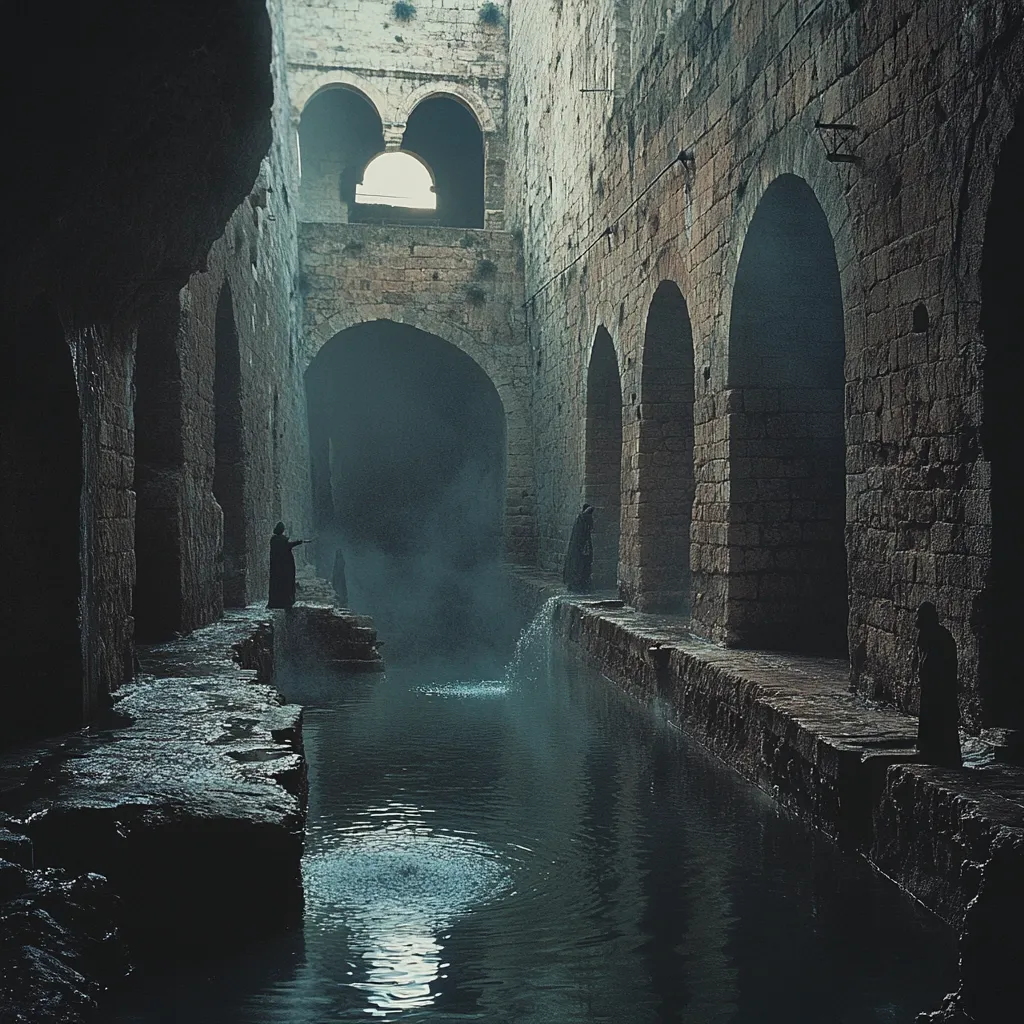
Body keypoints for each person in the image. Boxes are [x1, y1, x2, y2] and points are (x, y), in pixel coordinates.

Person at [913, 601, 962, 767]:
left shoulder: (942, 638)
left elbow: (946, 668)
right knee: (930, 725)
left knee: (942, 725)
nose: (916, 618)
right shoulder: (924, 637)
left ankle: (944, 760)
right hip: (930, 690)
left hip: (940, 691)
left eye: (919, 615)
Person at [267, 522, 308, 610]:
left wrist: (300, 542)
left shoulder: (274, 540)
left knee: (276, 584)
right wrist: (300, 542)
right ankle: (284, 602)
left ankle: (275, 602)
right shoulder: (281, 540)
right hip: (284, 567)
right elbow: (288, 546)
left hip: (276, 567)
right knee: (285, 583)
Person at [562, 503, 595, 592]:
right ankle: (578, 585)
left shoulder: (581, 520)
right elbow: (581, 536)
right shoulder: (582, 520)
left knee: (582, 566)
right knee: (579, 566)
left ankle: (581, 584)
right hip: (579, 549)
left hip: (580, 548)